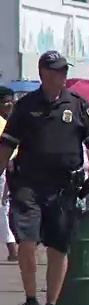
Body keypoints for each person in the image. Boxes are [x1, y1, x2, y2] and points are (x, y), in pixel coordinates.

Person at [0, 50, 89, 305]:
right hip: (29, 184)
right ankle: (31, 300)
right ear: (43, 74)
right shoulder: (25, 106)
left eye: (65, 71)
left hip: (64, 187)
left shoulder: (77, 104)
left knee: (58, 247)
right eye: (57, 71)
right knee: (26, 240)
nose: (63, 76)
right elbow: (6, 146)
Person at [0, 86, 17, 261]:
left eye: (11, 101)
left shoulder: (6, 122)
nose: (9, 104)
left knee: (2, 208)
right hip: (5, 168)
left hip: (7, 169)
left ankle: (12, 248)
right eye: (6, 101)